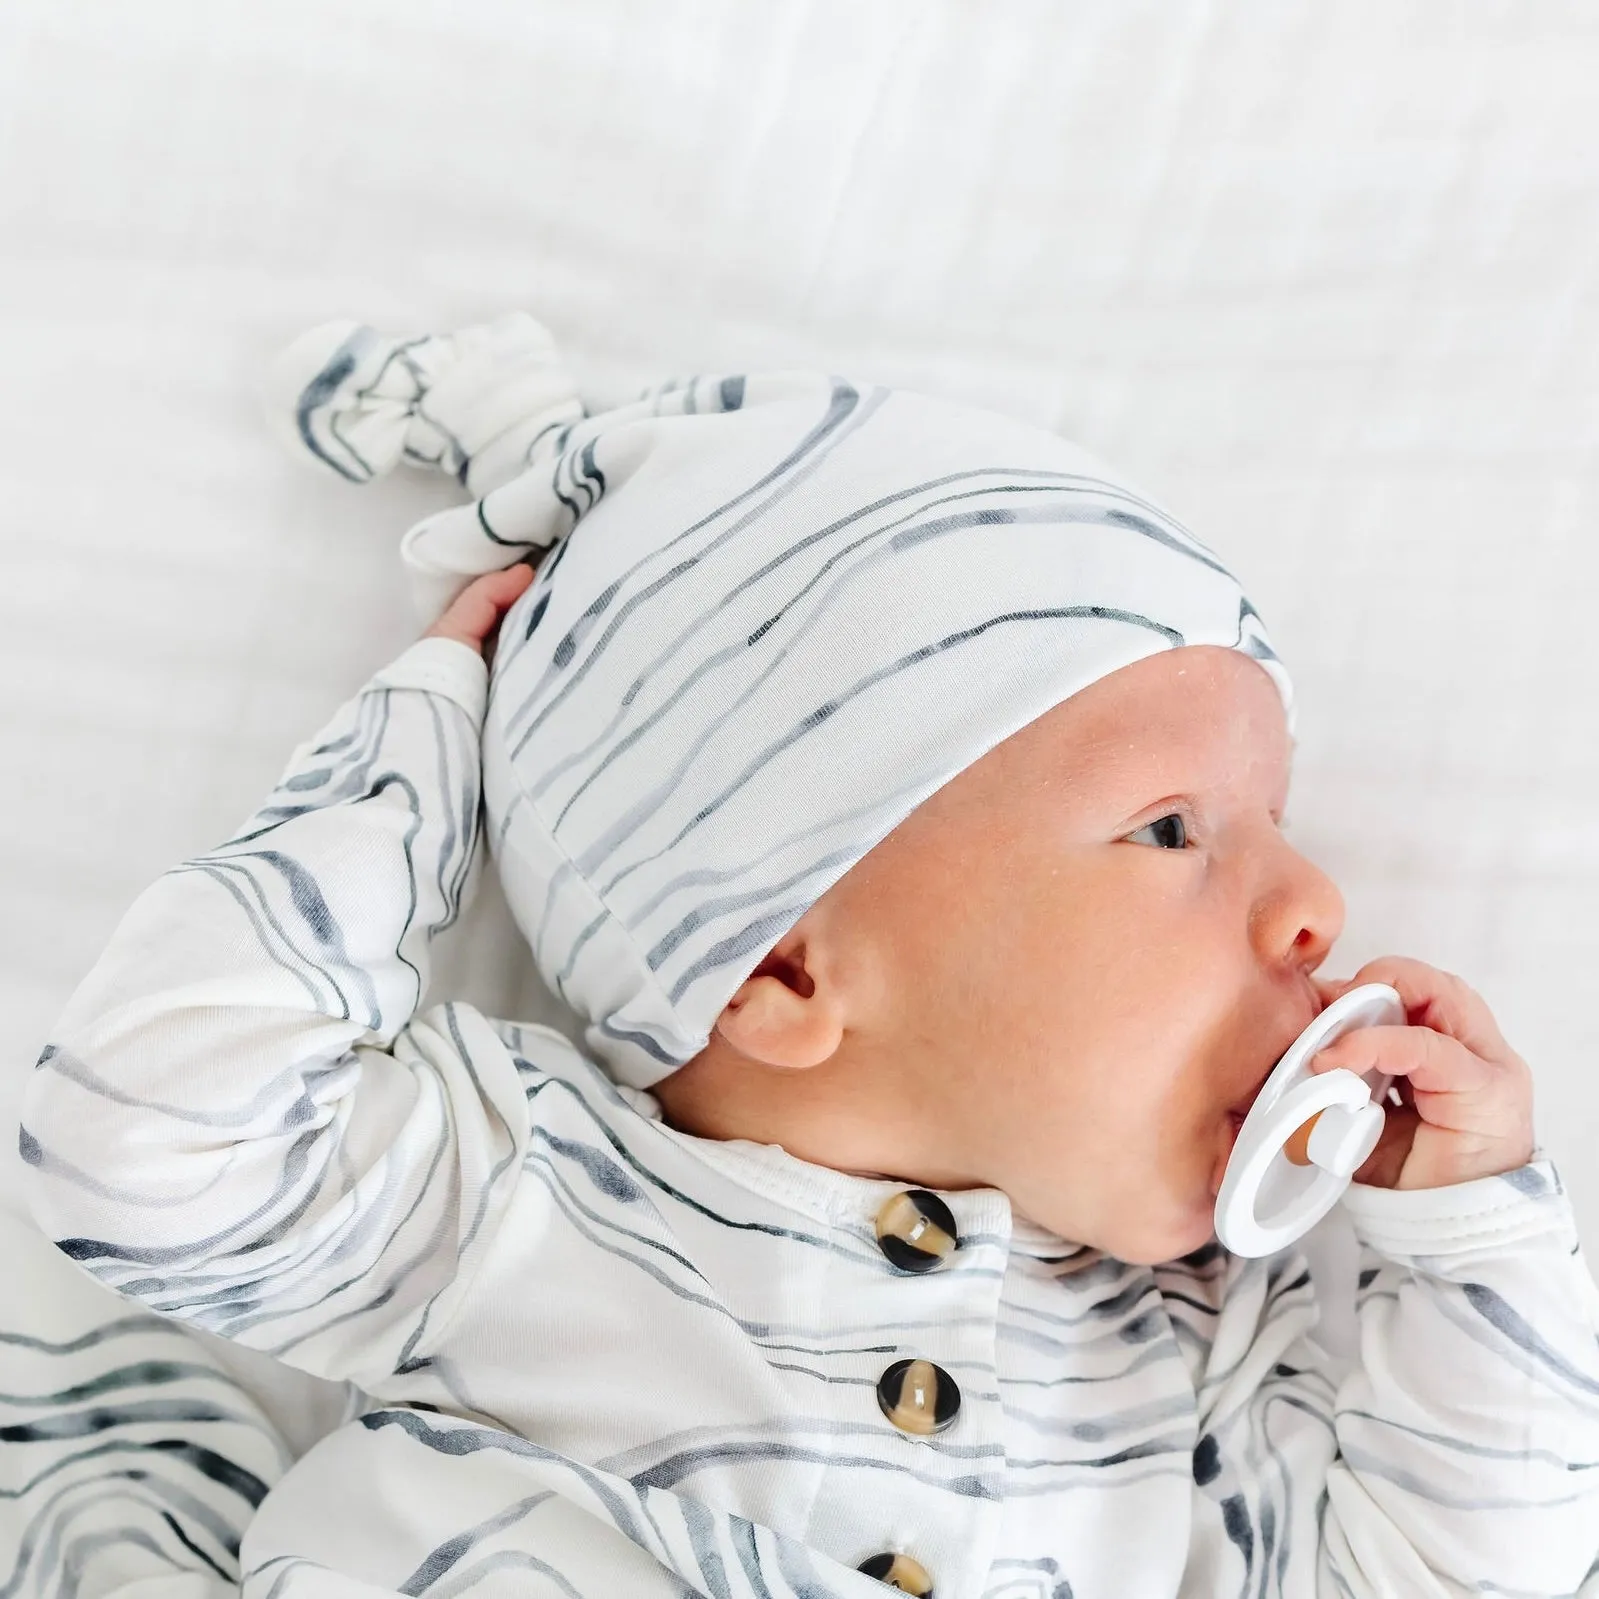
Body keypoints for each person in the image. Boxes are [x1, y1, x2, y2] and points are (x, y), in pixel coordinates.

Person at [12, 314, 1599, 1597]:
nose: (1314, 898)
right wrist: (423, 740)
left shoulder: (1182, 1370)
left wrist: (1469, 1244)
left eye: (1276, 818)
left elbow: (1459, 1569)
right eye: (1173, 829)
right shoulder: (524, 1196)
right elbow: (144, 1134)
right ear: (776, 964)